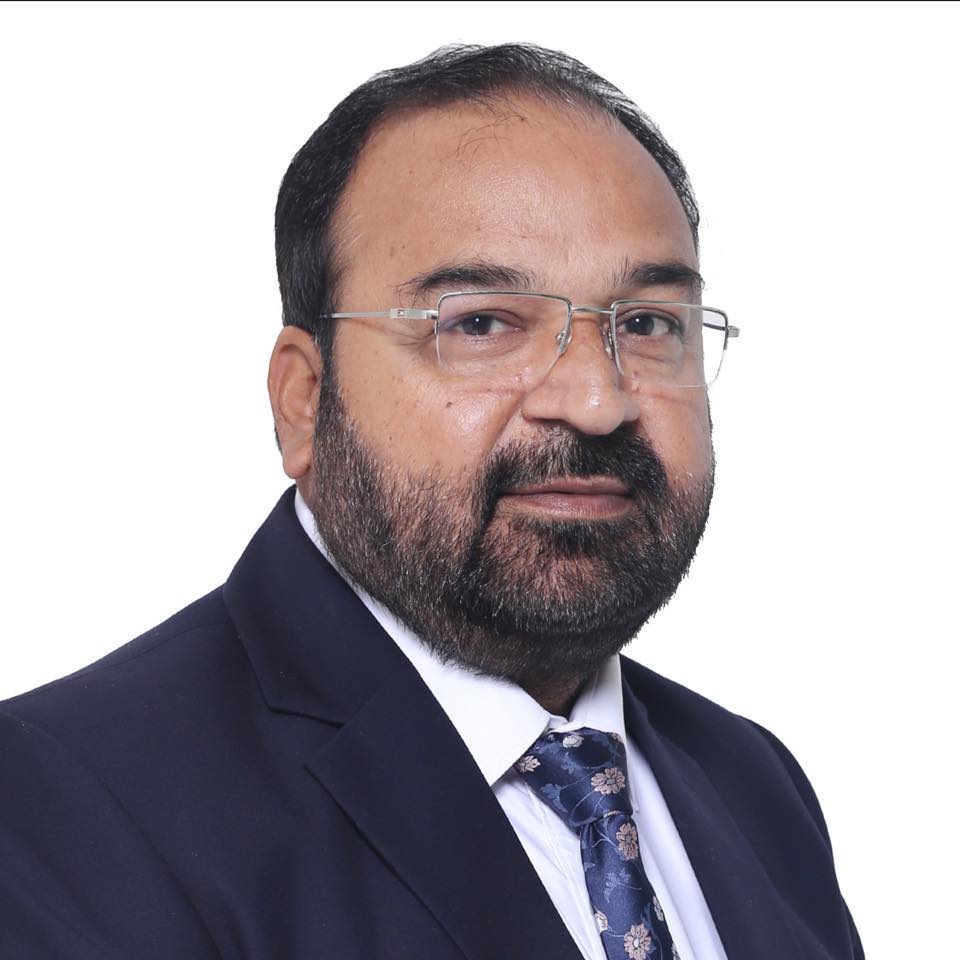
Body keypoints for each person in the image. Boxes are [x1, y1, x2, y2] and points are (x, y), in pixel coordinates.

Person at [0, 43, 863, 960]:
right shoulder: (62, 807)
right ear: (305, 399)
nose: (595, 399)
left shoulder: (753, 784)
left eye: (647, 324)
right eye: (482, 323)